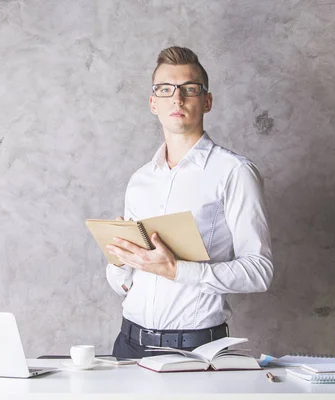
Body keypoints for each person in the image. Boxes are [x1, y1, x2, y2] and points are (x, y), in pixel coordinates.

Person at [105, 46, 274, 358]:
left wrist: (177, 270)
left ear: (206, 101)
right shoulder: (139, 181)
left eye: (189, 89)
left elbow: (259, 271)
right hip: (127, 344)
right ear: (153, 103)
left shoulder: (234, 173)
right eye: (165, 89)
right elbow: (125, 285)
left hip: (195, 350)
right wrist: (120, 262)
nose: (177, 98)